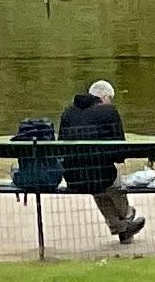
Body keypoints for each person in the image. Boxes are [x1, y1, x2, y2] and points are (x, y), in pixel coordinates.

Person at [59, 77, 142, 244]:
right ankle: (127, 216)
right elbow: (119, 151)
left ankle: (119, 227)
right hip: (103, 176)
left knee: (96, 182)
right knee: (110, 180)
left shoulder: (68, 112)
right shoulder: (109, 111)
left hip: (73, 177)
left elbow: (61, 145)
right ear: (105, 97)